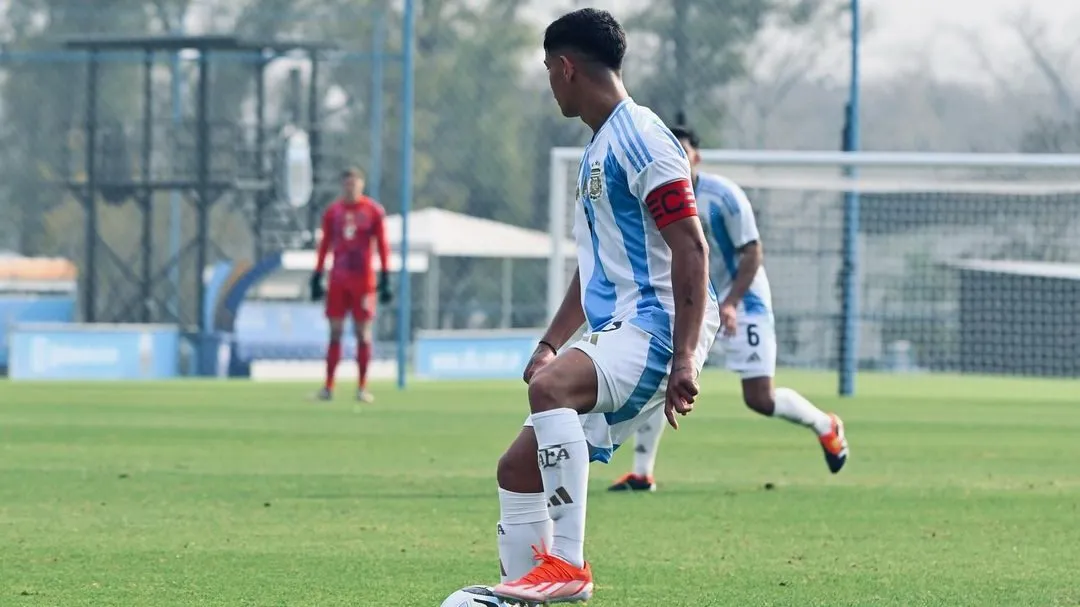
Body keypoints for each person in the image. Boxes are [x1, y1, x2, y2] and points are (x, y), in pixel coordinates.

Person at [491, 9, 720, 605]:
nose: (548, 83)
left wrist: (686, 358)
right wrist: (549, 342)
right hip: (623, 323)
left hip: (660, 324)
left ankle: (566, 566)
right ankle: (534, 585)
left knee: (550, 390)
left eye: (547, 70)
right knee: (517, 471)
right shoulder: (601, 144)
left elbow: (691, 248)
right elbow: (595, 267)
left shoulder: (642, 138)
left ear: (566, 68)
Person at [608, 125, 849, 493]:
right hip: (692, 303)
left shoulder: (723, 197)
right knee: (659, 375)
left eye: (683, 150)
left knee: (759, 398)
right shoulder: (655, 193)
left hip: (742, 302)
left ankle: (825, 425)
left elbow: (752, 253)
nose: (676, 156)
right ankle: (643, 473)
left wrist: (732, 303)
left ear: (696, 157)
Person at [310, 167, 392, 403]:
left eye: (354, 184)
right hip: (338, 280)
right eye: (347, 184)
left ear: (361, 185)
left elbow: (383, 245)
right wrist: (318, 274)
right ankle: (328, 386)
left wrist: (385, 275)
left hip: (364, 282)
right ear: (342, 186)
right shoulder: (333, 212)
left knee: (363, 334)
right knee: (335, 332)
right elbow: (325, 243)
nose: (350, 188)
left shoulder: (373, 211)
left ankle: (362, 387)